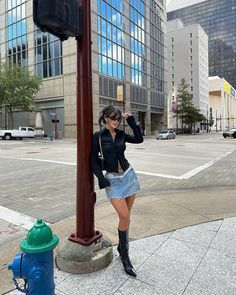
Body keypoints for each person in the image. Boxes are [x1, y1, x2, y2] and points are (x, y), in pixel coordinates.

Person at [91, 105, 143, 277]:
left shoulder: (121, 134)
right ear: (105, 117)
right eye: (113, 117)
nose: (116, 121)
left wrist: (131, 122)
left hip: (128, 177)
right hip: (113, 180)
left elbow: (139, 139)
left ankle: (122, 248)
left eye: (118, 118)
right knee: (125, 216)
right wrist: (101, 177)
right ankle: (125, 258)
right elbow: (93, 160)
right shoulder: (98, 137)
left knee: (126, 216)